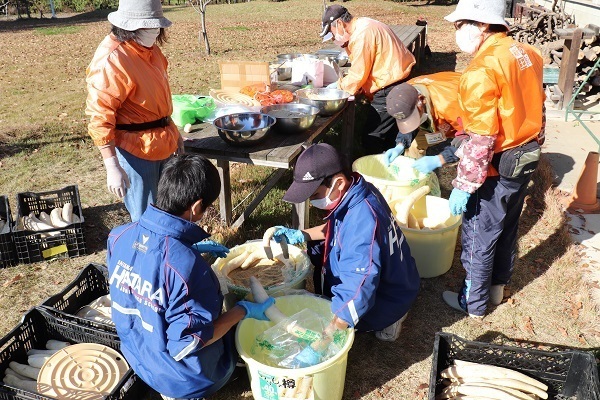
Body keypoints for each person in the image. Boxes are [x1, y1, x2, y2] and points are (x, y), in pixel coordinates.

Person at [106, 154, 275, 400]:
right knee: (226, 328)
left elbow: (147, 264)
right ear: (196, 207)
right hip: (178, 376)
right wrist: (242, 310)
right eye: (206, 208)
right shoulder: (190, 269)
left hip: (137, 356)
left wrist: (186, 249)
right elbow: (187, 343)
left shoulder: (118, 236)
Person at [442, 0, 545, 318]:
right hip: (526, 154)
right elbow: (539, 107)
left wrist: (464, 183)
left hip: (497, 163)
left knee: (479, 235)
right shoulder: (527, 53)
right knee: (507, 226)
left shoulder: (481, 70)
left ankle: (472, 304)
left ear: (483, 24)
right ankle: (498, 288)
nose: (457, 31)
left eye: (460, 24)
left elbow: (481, 138)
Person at [270, 143, 420, 342]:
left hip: (388, 298)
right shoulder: (358, 191)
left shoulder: (362, 224)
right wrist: (301, 234)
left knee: (356, 310)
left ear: (338, 183)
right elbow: (339, 231)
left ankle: (392, 319)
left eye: (315, 195)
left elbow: (359, 287)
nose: (311, 201)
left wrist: (328, 337)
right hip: (397, 276)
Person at [86, 0, 184, 222]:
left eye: (156, 25)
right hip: (135, 151)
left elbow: (158, 99)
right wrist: (112, 165)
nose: (155, 30)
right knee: (147, 219)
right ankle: (145, 255)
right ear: (129, 26)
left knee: (169, 210)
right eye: (148, 25)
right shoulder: (112, 60)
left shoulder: (150, 50)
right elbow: (100, 117)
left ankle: (166, 255)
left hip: (162, 143)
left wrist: (172, 131)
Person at [320, 5, 416, 154]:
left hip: (388, 86)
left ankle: (375, 167)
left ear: (339, 23)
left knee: (372, 137)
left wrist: (337, 88)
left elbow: (358, 74)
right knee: (391, 132)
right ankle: (392, 158)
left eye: (332, 33)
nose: (333, 38)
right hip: (399, 79)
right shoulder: (364, 24)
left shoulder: (362, 35)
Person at [383, 72, 465, 172]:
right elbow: (408, 121)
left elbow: (476, 139)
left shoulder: (452, 105)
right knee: (414, 146)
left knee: (473, 158)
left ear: (421, 100)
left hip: (470, 119)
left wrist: (440, 159)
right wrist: (400, 144)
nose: (413, 122)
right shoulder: (406, 93)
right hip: (439, 118)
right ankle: (415, 177)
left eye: (414, 118)